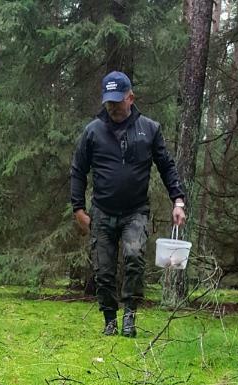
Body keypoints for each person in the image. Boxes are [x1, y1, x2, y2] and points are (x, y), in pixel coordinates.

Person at [71, 71, 187, 337]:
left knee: (134, 258)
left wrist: (177, 201)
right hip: (101, 210)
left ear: (130, 98)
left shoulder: (149, 129)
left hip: (135, 211)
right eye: (108, 102)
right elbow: (78, 170)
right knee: (103, 269)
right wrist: (78, 209)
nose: (113, 107)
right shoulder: (93, 131)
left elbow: (166, 166)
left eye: (118, 101)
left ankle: (130, 316)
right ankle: (109, 320)